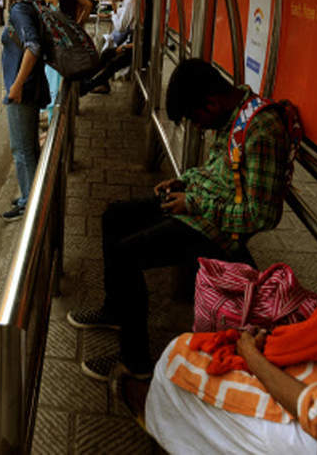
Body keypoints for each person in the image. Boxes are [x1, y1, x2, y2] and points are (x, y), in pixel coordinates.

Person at [67, 59, 292, 381]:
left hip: (217, 228)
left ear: (211, 102)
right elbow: (219, 170)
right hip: (197, 206)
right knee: (114, 216)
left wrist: (195, 203)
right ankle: (117, 309)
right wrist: (185, 182)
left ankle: (135, 363)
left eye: (196, 119)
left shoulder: (262, 130)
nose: (198, 128)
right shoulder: (236, 112)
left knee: (126, 253)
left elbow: (261, 215)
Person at [111, 153, 317, 454]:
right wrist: (188, 185)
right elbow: (216, 172)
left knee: (178, 355)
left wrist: (251, 356)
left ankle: (166, 416)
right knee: (118, 222)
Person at [0, 0, 51, 221]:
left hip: (22, 91)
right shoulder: (31, 3)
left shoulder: (19, 10)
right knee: (29, 147)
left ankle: (29, 206)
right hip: (32, 88)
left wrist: (16, 86)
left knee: (21, 149)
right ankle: (30, 196)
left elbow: (33, 46)